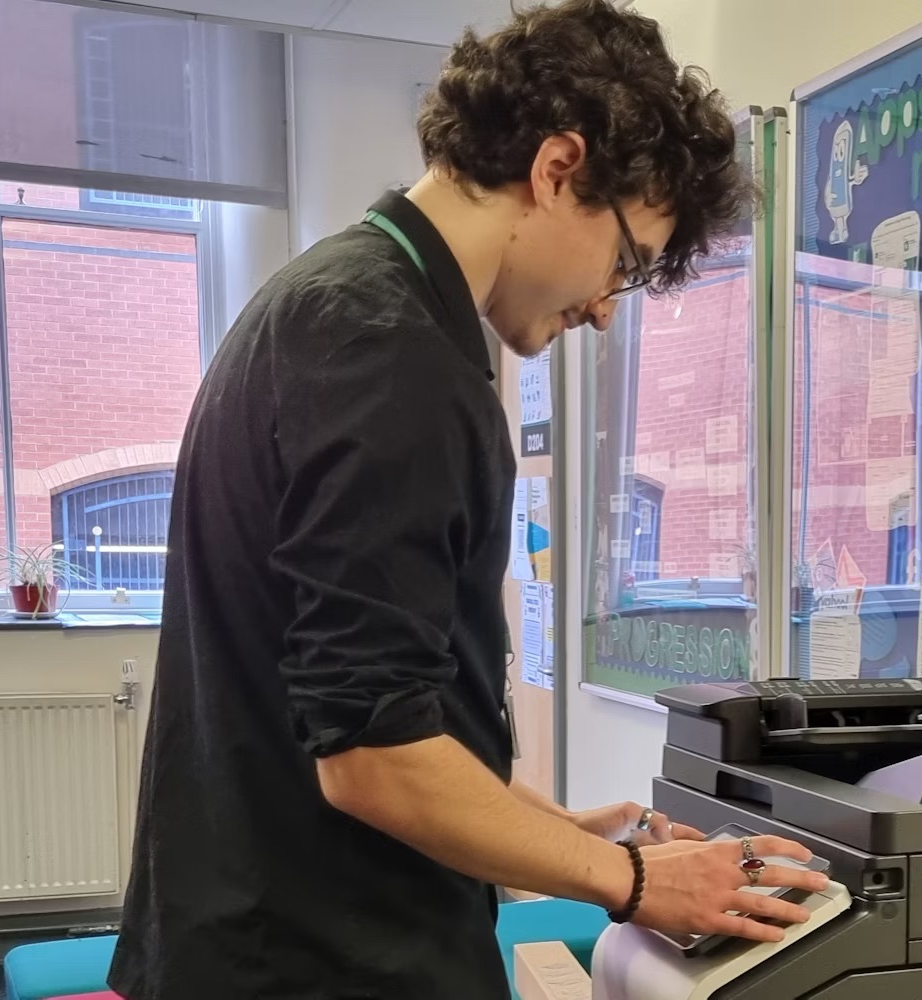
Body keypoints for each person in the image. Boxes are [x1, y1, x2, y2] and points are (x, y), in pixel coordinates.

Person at [108, 3, 826, 997]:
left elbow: (371, 697)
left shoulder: (331, 299)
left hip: (262, 927)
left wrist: (543, 834)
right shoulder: (389, 356)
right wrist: (628, 879)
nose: (609, 305)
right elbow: (370, 757)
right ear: (558, 169)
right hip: (318, 956)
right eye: (625, 259)